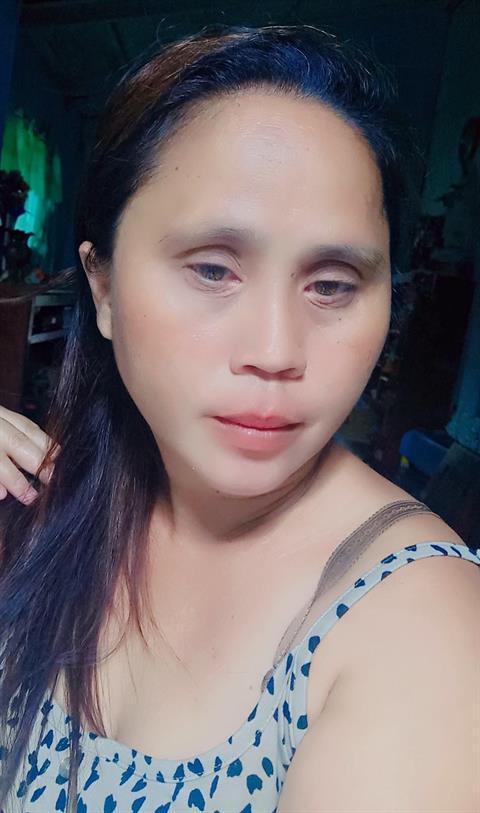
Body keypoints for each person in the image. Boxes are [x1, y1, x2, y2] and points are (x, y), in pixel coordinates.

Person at [0, 23, 478, 813]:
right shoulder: (57, 498)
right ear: (103, 286)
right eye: (214, 269)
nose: (275, 351)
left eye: (332, 284)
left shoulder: (421, 630)